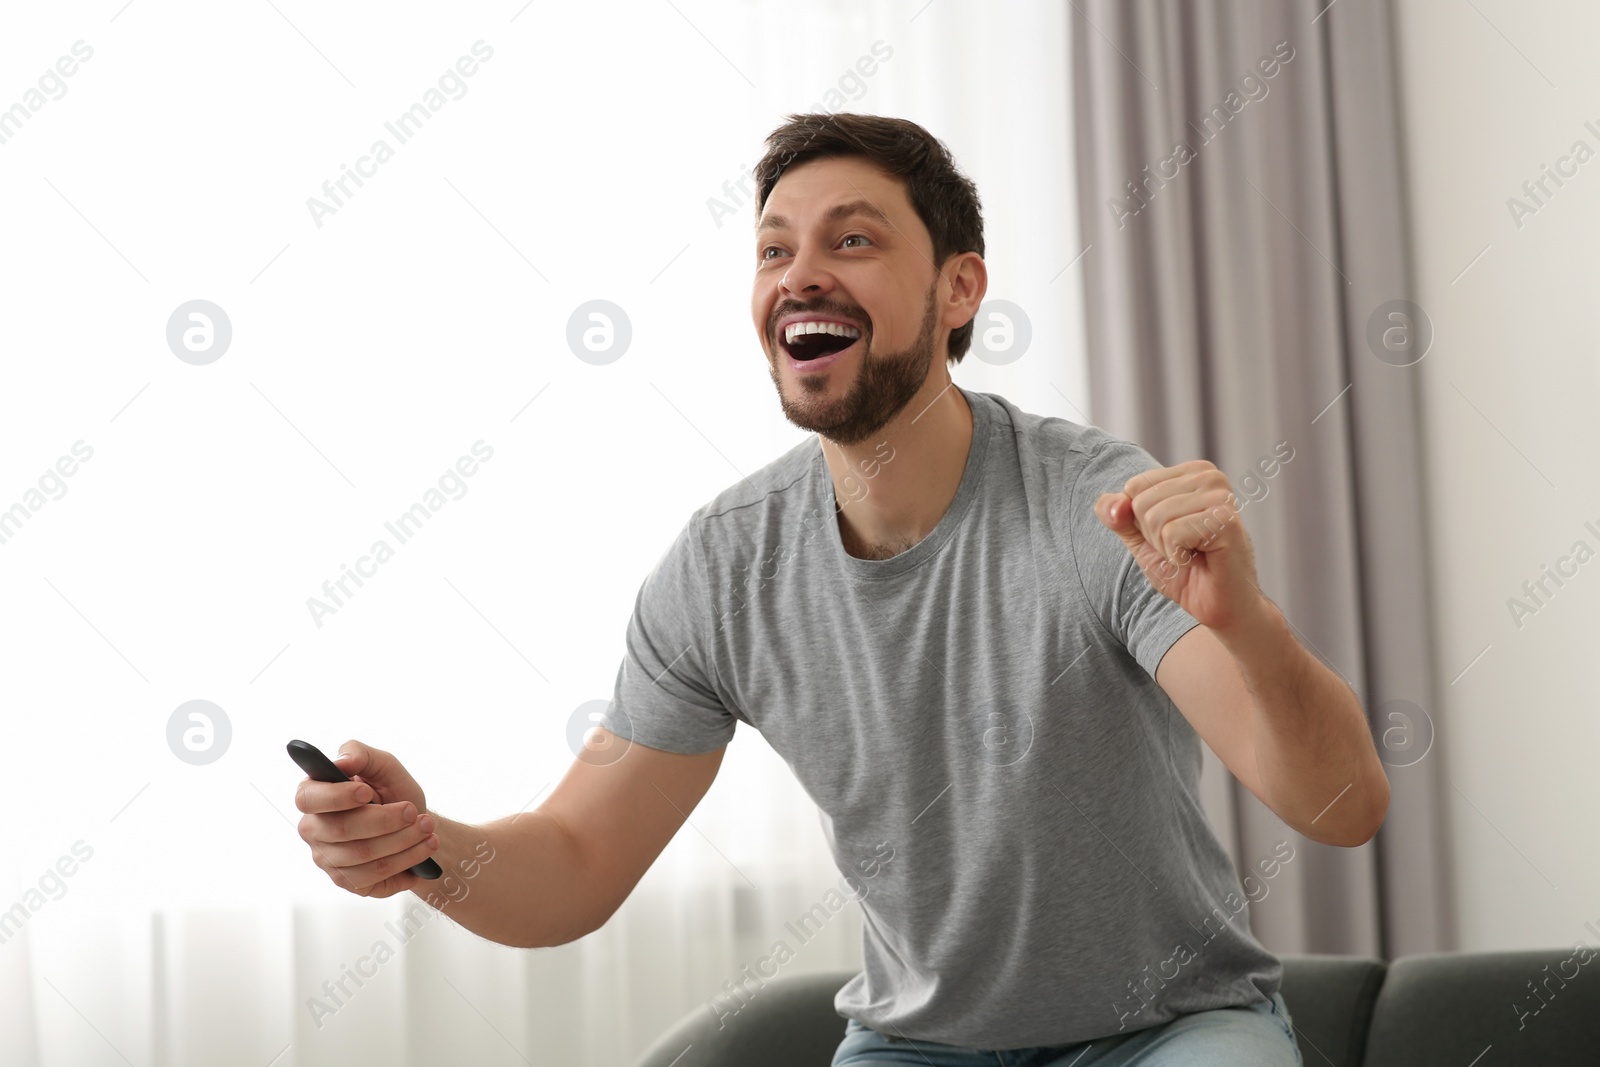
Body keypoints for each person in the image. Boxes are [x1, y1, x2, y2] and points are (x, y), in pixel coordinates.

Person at [292, 112, 1389, 1065]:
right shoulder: (724, 567)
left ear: (959, 286)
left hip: (1172, 1027)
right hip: (920, 1045)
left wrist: (1246, 623)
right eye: (774, 249)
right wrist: (422, 846)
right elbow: (576, 862)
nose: (798, 274)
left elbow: (1342, 808)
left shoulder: (1096, 508)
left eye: (850, 239)